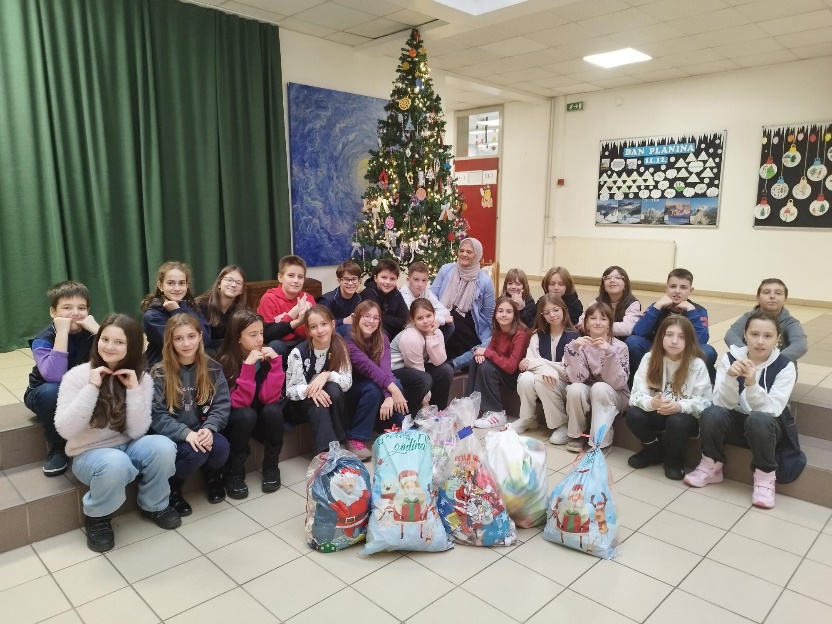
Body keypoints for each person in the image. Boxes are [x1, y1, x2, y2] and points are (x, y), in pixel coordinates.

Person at [54, 314, 180, 552]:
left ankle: (154, 504)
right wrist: (92, 387)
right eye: (105, 339)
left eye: (119, 342)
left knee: (163, 446)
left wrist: (133, 390)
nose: (109, 347)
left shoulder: (141, 378)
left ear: (132, 346)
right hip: (88, 453)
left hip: (126, 446)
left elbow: (138, 430)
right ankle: (98, 516)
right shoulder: (77, 376)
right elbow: (65, 429)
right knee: (115, 462)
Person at [686, 311, 797, 508]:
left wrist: (751, 384)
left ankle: (765, 478)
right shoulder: (731, 358)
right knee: (711, 413)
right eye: (754, 334)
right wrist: (730, 378)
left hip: (768, 428)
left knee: (758, 419)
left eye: (768, 336)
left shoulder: (785, 366)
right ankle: (711, 466)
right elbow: (721, 403)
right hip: (737, 422)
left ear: (777, 339)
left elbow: (773, 409)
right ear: (745, 335)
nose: (760, 341)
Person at [150, 315, 231, 516]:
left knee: (221, 447)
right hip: (175, 436)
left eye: (191, 336)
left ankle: (212, 476)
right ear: (170, 341)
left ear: (200, 336)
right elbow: (157, 415)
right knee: (196, 452)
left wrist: (209, 428)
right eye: (178, 338)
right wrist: (186, 434)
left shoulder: (213, 368)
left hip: (202, 430)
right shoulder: (159, 373)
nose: (186, 344)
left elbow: (221, 405)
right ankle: (173, 487)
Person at [24, 281, 99, 476]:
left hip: (79, 392)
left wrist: (100, 333)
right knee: (52, 390)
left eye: (81, 308)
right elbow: (54, 375)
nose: (75, 313)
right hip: (45, 393)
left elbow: (121, 360)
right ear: (53, 312)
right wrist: (63, 332)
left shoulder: (92, 333)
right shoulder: (43, 339)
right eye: (67, 308)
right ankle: (57, 447)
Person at [626, 315, 713, 480]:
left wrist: (680, 406)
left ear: (689, 340)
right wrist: (652, 402)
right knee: (633, 414)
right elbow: (636, 395)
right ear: (661, 337)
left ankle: (673, 457)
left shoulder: (697, 364)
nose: (674, 341)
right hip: (657, 411)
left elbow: (704, 402)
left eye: (681, 337)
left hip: (683, 417)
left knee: (677, 421)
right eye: (669, 335)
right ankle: (653, 450)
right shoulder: (650, 358)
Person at [215, 310, 285, 498]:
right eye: (253, 335)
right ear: (237, 337)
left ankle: (271, 466)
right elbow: (239, 403)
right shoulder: (224, 361)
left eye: (261, 333)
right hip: (236, 423)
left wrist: (276, 365)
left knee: (273, 410)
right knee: (246, 414)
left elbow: (268, 398)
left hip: (259, 420)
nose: (260, 339)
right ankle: (234, 471)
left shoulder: (264, 356)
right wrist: (247, 367)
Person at [344, 301, 408, 459]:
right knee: (377, 388)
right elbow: (369, 368)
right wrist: (393, 392)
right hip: (351, 390)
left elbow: (385, 370)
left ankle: (395, 432)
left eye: (375, 318)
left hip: (375, 383)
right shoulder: (348, 339)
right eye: (366, 316)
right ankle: (355, 437)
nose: (370, 321)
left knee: (396, 383)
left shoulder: (383, 338)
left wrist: (389, 396)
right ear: (357, 317)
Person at [285, 305, 352, 454]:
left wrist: (327, 375)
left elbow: (347, 383)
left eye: (324, 324)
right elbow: (290, 391)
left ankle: (339, 442)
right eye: (314, 327)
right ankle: (327, 454)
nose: (320, 330)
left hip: (326, 396)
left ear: (332, 324)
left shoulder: (340, 346)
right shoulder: (298, 352)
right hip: (299, 405)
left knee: (334, 389)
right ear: (308, 331)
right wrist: (312, 390)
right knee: (317, 402)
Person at [513, 294, 580, 443]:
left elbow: (567, 369)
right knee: (525, 378)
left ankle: (561, 424)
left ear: (563, 309)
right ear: (542, 315)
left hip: (565, 385)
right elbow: (527, 364)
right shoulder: (537, 335)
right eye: (547, 312)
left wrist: (542, 365)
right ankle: (528, 418)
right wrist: (544, 367)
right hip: (541, 379)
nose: (552, 315)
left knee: (543, 379)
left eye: (555, 310)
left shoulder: (574, 336)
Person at [564, 301, 630, 452]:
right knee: (575, 389)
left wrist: (610, 353)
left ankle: (601, 441)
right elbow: (577, 379)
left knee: (600, 388)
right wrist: (573, 350)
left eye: (603, 319)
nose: (598, 322)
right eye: (593, 318)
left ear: (609, 324)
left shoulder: (620, 347)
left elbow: (618, 383)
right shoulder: (579, 344)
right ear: (586, 323)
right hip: (591, 390)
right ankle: (576, 434)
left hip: (616, 394)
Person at [626, 268, 717, 376]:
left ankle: (687, 379)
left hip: (684, 353)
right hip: (657, 350)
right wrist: (656, 308)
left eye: (683, 287)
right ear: (666, 288)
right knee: (632, 342)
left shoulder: (698, 311)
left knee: (708, 351)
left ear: (690, 290)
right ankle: (644, 377)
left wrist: (691, 312)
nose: (677, 291)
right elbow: (638, 332)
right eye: (673, 286)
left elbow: (702, 341)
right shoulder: (656, 306)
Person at [431, 237, 496, 371]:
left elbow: (488, 315)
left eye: (469, 252)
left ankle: (456, 362)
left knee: (455, 320)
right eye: (461, 250)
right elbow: (432, 297)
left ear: (477, 255)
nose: (464, 254)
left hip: (470, 324)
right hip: (442, 315)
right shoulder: (446, 270)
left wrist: (488, 340)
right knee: (450, 319)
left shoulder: (484, 281)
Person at [469, 296, 529, 429]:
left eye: (508, 311)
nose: (504, 315)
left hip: (516, 376)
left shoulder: (520, 334)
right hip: (502, 370)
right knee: (477, 360)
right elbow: (489, 351)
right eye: (500, 311)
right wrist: (482, 355)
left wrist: (487, 353)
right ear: (495, 314)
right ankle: (472, 405)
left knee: (486, 367)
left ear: (514, 315)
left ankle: (497, 413)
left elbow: (511, 367)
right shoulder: (498, 330)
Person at [141, 261, 210, 369]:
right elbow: (176, 345)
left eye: (181, 283)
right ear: (160, 285)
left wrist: (180, 309)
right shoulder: (152, 316)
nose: (177, 288)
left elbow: (204, 340)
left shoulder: (192, 307)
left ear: (187, 285)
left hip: (190, 367)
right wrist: (176, 311)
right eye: (171, 283)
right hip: (161, 370)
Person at [390, 299, 454, 411]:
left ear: (434, 315)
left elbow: (439, 361)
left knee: (446, 370)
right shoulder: (411, 336)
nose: (425, 321)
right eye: (420, 318)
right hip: (396, 371)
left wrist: (430, 335)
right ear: (413, 320)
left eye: (429, 316)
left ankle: (439, 412)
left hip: (414, 369)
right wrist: (426, 403)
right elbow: (416, 368)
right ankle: (412, 413)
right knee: (424, 379)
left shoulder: (436, 331)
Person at [724, 278, 808, 363]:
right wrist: (745, 355)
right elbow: (731, 335)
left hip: (778, 367)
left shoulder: (790, 322)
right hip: (748, 363)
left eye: (778, 293)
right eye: (766, 292)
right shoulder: (748, 317)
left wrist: (773, 362)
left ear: (785, 299)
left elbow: (800, 345)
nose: (772, 296)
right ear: (758, 297)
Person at [256, 255, 316, 358]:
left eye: (300, 277)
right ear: (280, 277)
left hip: (301, 342)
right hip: (279, 343)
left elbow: (310, 332)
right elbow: (267, 334)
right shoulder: (269, 298)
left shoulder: (308, 299)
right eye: (291, 275)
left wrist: (284, 322)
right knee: (275, 345)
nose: (296, 280)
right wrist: (293, 314)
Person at [577, 265, 641, 339]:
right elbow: (581, 322)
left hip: (621, 341)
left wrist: (598, 326)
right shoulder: (597, 302)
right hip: (597, 338)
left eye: (618, 278)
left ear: (625, 285)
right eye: (607, 278)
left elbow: (627, 328)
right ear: (603, 285)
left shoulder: (632, 304)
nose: (612, 280)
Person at [196, 265, 249, 353]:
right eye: (229, 280)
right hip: (205, 353)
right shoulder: (200, 305)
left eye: (238, 283)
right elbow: (201, 340)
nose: (233, 285)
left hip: (230, 353)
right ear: (219, 284)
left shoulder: (243, 310)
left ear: (241, 290)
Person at [399, 261, 453, 341]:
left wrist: (429, 317)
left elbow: (445, 311)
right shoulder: (403, 294)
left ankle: (436, 347)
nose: (420, 284)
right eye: (416, 280)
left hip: (422, 325)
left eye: (424, 280)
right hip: (408, 330)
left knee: (449, 326)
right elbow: (413, 318)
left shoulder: (425, 292)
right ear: (408, 280)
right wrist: (442, 319)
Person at [360, 258, 409, 339]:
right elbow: (372, 320)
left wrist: (383, 318)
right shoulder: (369, 293)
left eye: (392, 279)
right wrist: (393, 320)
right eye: (384, 277)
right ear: (375, 278)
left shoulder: (396, 294)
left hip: (395, 335)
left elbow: (404, 319)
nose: (388, 282)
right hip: (375, 335)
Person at [316, 260, 363, 334]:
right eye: (346, 279)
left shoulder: (360, 299)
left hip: (353, 335)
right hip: (330, 335)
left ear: (359, 281)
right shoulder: (326, 300)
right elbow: (320, 324)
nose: (350, 283)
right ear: (339, 281)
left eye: (354, 279)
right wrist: (343, 321)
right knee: (348, 328)